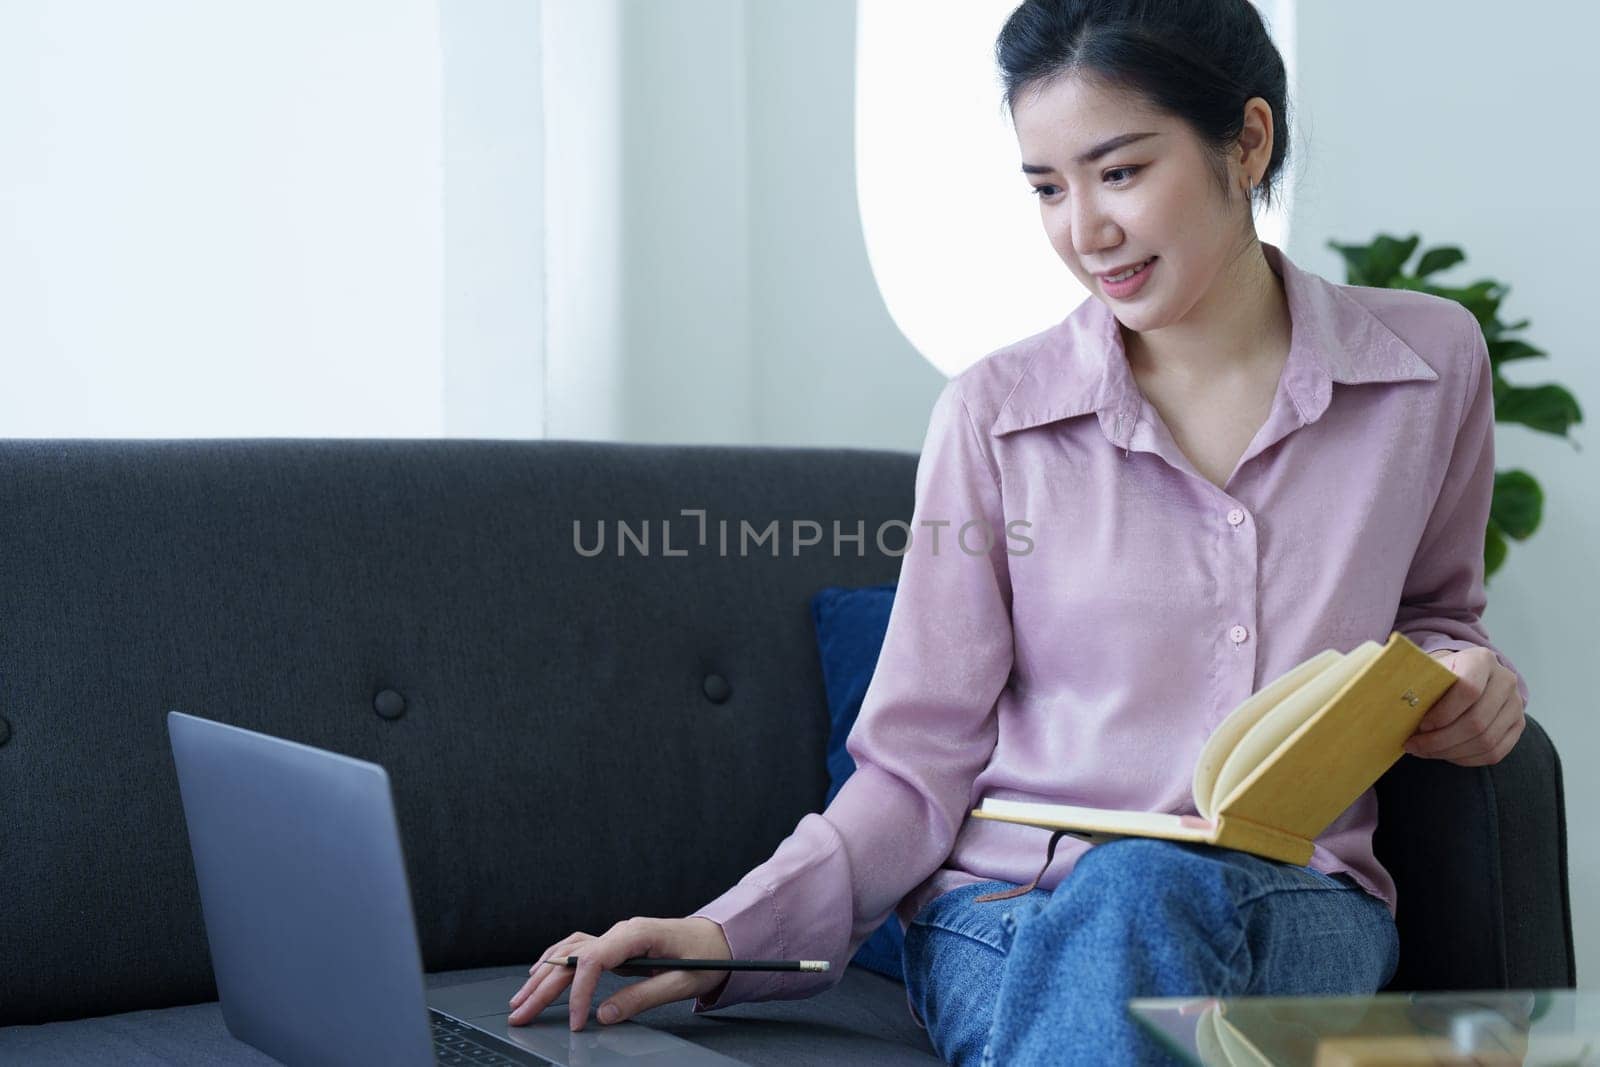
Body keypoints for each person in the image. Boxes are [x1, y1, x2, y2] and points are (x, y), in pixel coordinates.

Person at [505, 0, 1532, 1062]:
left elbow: (1434, 617)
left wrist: (1473, 681)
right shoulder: (994, 415)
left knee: (1140, 899)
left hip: (1296, 908)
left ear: (1248, 139)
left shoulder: (1423, 368)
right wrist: (731, 929)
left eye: (1120, 172)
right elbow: (914, 763)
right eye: (1048, 187)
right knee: (1120, 926)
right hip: (1005, 915)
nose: (1082, 230)